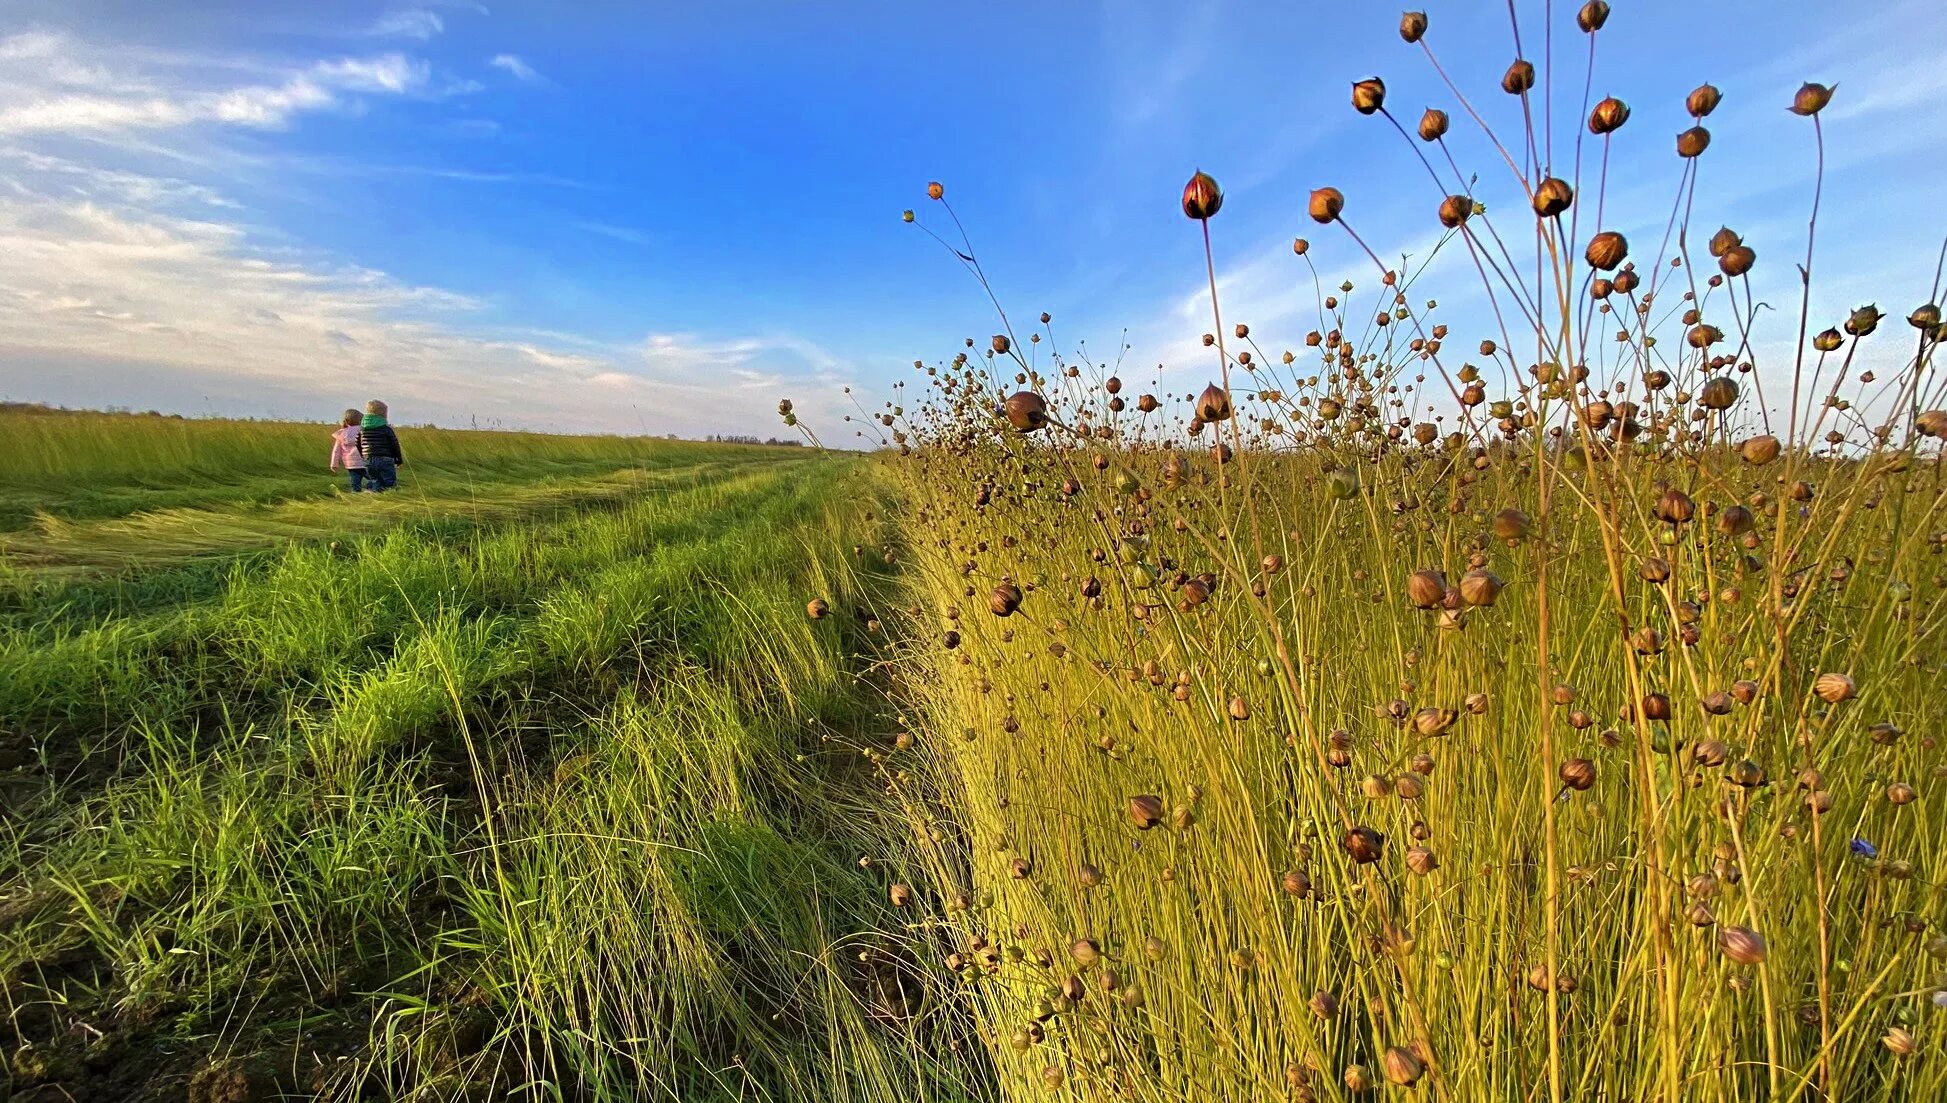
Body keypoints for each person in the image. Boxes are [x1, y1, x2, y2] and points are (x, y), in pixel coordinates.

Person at [357, 399, 405, 492]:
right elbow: (394, 444)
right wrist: (398, 459)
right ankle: (391, 498)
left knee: (375, 480)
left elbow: (358, 443)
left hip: (369, 460)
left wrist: (364, 456)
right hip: (385, 459)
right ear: (383, 415)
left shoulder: (362, 429)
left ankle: (375, 496)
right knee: (389, 482)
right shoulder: (386, 429)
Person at [328, 408, 366, 492]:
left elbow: (336, 451)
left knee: (355, 482)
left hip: (351, 464)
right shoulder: (364, 431)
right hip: (365, 462)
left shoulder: (342, 433)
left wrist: (334, 464)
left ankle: (355, 496)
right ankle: (372, 492)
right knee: (373, 479)